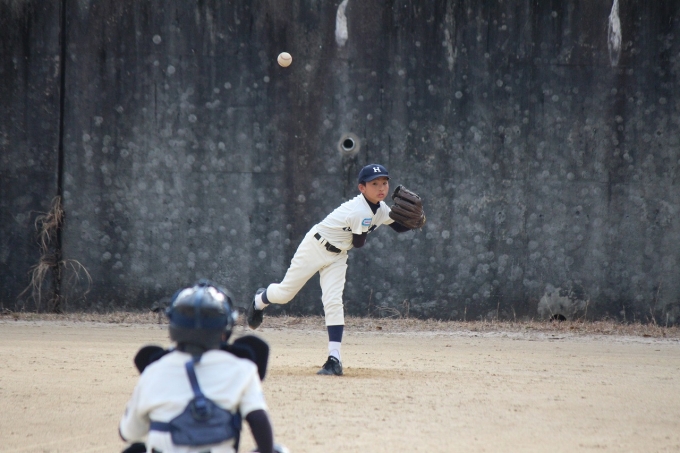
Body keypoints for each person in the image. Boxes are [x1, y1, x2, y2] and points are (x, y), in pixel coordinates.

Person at [246, 163, 417, 376]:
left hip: (338, 255)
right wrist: (370, 223)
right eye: (374, 184)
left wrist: (416, 221)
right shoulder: (359, 211)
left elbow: (398, 226)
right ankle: (259, 300)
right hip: (315, 246)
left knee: (333, 302)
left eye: (384, 182)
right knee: (284, 294)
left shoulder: (380, 208)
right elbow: (359, 243)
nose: (381, 188)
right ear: (362, 188)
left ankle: (334, 359)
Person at [119, 279, 277, 453]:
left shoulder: (153, 371)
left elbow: (128, 433)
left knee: (135, 450)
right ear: (224, 330)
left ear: (174, 328)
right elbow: (259, 420)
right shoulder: (242, 368)